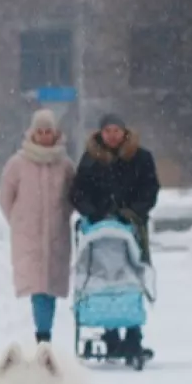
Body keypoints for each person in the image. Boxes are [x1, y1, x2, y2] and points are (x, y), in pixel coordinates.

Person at [69, 112, 161, 357]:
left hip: (131, 226)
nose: (112, 136)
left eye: (116, 131)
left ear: (124, 132)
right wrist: (92, 212)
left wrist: (133, 212)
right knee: (103, 277)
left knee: (133, 275)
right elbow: (78, 192)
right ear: (101, 133)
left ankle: (133, 334)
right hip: (98, 229)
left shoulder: (141, 158)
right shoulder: (90, 160)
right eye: (107, 131)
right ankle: (110, 332)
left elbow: (150, 189)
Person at [0, 109, 75, 344]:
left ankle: (44, 332)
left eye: (48, 131)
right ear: (32, 133)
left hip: (56, 234)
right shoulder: (17, 164)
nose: (44, 136)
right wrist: (19, 221)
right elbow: (5, 198)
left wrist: (60, 217)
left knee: (50, 286)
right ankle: (43, 335)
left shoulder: (65, 165)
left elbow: (72, 198)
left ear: (55, 133)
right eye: (39, 131)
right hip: (28, 235)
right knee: (38, 287)